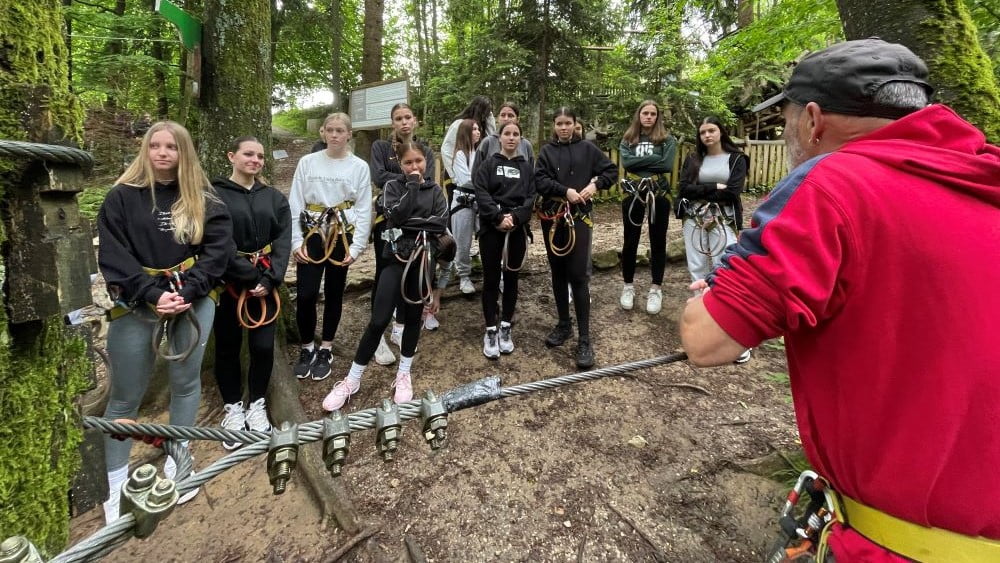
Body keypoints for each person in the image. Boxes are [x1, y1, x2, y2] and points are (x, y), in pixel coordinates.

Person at [680, 38, 1000, 561]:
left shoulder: (832, 184)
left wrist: (722, 291)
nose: (785, 131)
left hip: (895, 545)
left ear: (812, 119)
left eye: (784, 118)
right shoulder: (985, 177)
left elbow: (707, 339)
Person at [98, 121, 232, 523]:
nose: (162, 153)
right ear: (146, 149)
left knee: (186, 383)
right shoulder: (122, 198)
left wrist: (187, 292)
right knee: (124, 395)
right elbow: (113, 255)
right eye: (155, 146)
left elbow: (217, 252)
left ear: (182, 152)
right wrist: (153, 294)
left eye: (171, 147)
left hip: (192, 298)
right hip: (138, 302)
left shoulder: (205, 200)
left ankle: (179, 459)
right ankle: (116, 485)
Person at [323, 140, 450, 411]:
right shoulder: (393, 187)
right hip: (395, 260)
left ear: (426, 161)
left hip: (422, 260)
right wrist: (413, 189)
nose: (414, 167)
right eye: (408, 162)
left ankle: (404, 373)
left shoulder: (436, 191)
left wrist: (412, 223)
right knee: (379, 319)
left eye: (418, 161)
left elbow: (440, 223)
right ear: (400, 164)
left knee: (413, 318)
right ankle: (352, 379)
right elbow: (395, 216)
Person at [212, 137, 292, 449]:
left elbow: (283, 240)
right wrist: (248, 277)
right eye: (248, 154)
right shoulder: (215, 196)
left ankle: (257, 403)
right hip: (229, 283)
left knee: (262, 347)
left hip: (265, 284)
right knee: (227, 347)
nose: (255, 160)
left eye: (260, 156)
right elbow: (216, 242)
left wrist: (271, 279)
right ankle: (233, 407)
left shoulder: (274, 198)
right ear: (231, 156)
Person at [289, 113, 372, 382]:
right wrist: (295, 241)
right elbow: (295, 202)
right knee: (306, 294)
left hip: (341, 234)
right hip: (312, 234)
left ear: (349, 134)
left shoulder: (359, 167)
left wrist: (357, 247)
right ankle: (306, 347)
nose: (335, 135)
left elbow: (363, 208)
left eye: (340, 131)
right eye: (330, 130)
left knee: (335, 293)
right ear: (323, 132)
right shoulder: (307, 162)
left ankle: (326, 348)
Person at [535, 107, 618, 369]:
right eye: (559, 123)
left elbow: (611, 171)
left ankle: (584, 338)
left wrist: (595, 185)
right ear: (554, 125)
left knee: (579, 275)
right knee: (558, 272)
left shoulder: (588, 149)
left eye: (568, 123)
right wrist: (565, 191)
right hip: (553, 216)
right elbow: (540, 181)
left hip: (579, 217)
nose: (563, 128)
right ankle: (563, 324)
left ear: (574, 124)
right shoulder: (547, 152)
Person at [369, 103, 436, 361]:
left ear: (415, 120)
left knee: (409, 275)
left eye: (408, 117)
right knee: (383, 272)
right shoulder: (381, 148)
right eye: (399, 118)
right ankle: (377, 334)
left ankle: (399, 328)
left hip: (416, 224)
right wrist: (409, 178)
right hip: (388, 221)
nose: (404, 122)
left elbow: (428, 180)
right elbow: (378, 176)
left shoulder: (424, 149)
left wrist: (402, 179)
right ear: (392, 122)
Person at [474, 121, 535, 358]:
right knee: (491, 279)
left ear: (520, 138)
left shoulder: (526, 168)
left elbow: (531, 197)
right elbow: (482, 193)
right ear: (499, 137)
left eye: (515, 134)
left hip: (516, 230)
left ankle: (506, 326)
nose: (511, 137)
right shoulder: (488, 165)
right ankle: (491, 328)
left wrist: (516, 218)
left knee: (511, 278)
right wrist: (498, 217)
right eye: (507, 133)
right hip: (492, 228)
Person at [618, 100, 677, 315]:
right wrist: (654, 158)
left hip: (658, 192)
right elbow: (627, 164)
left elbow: (667, 165)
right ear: (639, 115)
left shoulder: (667, 139)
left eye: (653, 113)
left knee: (658, 240)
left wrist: (640, 160)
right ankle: (628, 286)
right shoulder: (628, 139)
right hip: (633, 192)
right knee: (630, 240)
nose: (649, 117)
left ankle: (656, 288)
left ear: (657, 117)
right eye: (645, 113)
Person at [447, 118, 482, 296]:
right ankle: (464, 277)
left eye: (478, 129)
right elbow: (466, 179)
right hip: (463, 202)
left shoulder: (481, 153)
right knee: (463, 242)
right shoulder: (460, 155)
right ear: (465, 133)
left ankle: (495, 274)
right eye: (474, 129)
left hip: (481, 202)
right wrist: (486, 183)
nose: (478, 132)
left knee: (487, 239)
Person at [441, 95, 495, 184]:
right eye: (485, 112)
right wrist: (453, 176)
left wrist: (490, 117)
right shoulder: (459, 124)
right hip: (455, 176)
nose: (484, 116)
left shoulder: (480, 128)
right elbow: (447, 150)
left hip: (474, 179)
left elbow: (491, 139)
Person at [473, 102, 534, 172]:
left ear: (517, 119)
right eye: (503, 115)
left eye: (510, 116)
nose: (506, 119)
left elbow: (531, 172)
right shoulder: (487, 142)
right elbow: (476, 172)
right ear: (498, 118)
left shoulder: (526, 145)